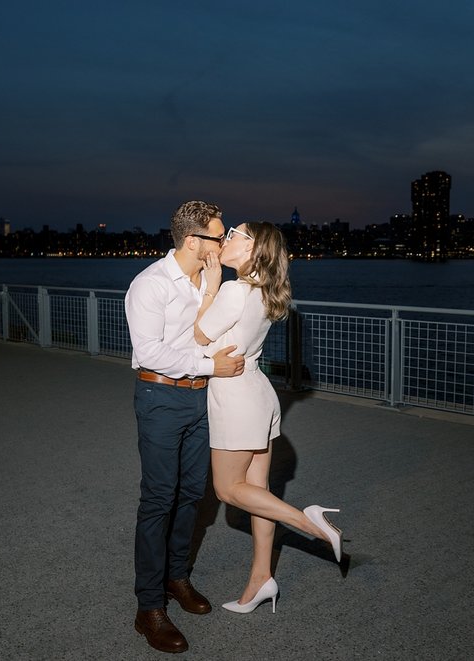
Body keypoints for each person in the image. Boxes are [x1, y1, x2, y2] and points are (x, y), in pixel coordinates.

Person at [193, 222, 343, 614]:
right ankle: (262, 578)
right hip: (260, 394)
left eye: (234, 235)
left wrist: (210, 286)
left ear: (253, 247)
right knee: (259, 493)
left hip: (234, 397)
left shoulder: (233, 289)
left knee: (228, 491)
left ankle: (311, 523)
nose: (225, 241)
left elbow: (199, 337)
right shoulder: (265, 291)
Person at [125, 201, 246, 654]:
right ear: (194, 241)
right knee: (158, 498)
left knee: (193, 492)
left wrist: (215, 288)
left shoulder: (208, 282)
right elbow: (151, 352)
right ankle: (148, 606)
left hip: (202, 397)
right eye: (219, 236)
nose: (224, 242)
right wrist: (209, 364)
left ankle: (177, 577)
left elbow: (211, 333)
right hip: (161, 397)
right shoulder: (151, 285)